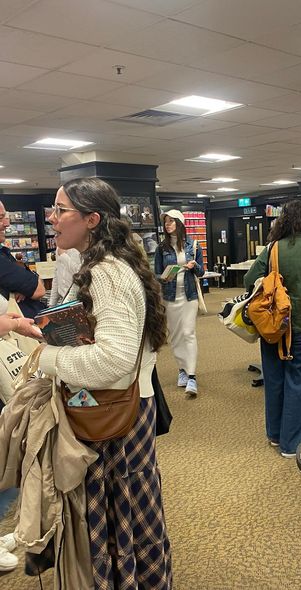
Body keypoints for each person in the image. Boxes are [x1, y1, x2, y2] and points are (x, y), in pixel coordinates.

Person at [37, 178, 173, 589]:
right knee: (133, 510)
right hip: (128, 410)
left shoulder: (106, 275)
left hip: (115, 417)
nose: (52, 219)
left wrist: (46, 358)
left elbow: (112, 359)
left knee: (119, 511)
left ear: (92, 219)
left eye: (62, 210)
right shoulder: (115, 266)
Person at [244, 200, 301, 458]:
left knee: (274, 379)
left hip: (274, 325)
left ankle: (274, 433)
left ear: (283, 221)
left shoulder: (274, 248)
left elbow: (250, 280)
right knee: (300, 382)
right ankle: (291, 444)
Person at [155, 209, 205, 396]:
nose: (168, 225)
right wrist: (166, 276)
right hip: (170, 296)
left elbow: (201, 273)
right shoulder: (162, 248)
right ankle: (182, 370)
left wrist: (195, 266)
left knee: (188, 332)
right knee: (176, 336)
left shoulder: (194, 245)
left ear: (180, 223)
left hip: (189, 296)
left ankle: (192, 376)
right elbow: (157, 275)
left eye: (171, 221)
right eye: (166, 222)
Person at [0, 201, 46, 318]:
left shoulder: (4, 252)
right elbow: (39, 290)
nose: (6, 224)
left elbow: (38, 282)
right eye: (0, 218)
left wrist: (23, 287)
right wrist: (25, 287)